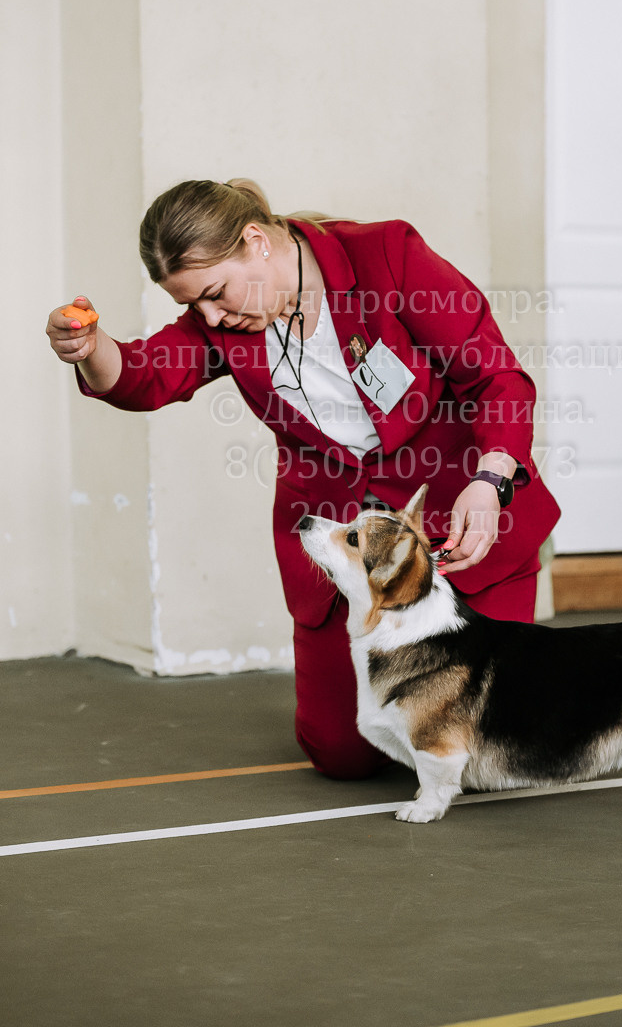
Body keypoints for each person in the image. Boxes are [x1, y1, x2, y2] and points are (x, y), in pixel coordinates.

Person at [47, 179, 560, 779]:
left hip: (452, 515)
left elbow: (495, 378)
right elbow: (143, 376)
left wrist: (491, 479)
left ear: (256, 242)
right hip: (345, 546)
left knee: (502, 750)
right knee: (341, 754)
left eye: (215, 293)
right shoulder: (223, 321)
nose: (211, 316)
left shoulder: (387, 256)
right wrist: (89, 346)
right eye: (194, 306)